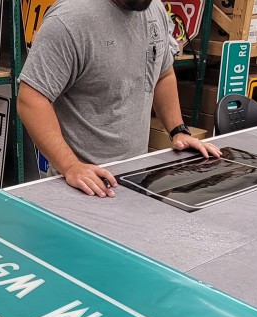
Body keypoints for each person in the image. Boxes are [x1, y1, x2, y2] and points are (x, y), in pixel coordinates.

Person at [17, 0, 221, 198]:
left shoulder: (154, 10)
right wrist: (70, 166)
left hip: (136, 178)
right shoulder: (70, 19)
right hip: (83, 188)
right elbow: (31, 99)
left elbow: (163, 75)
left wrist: (178, 131)